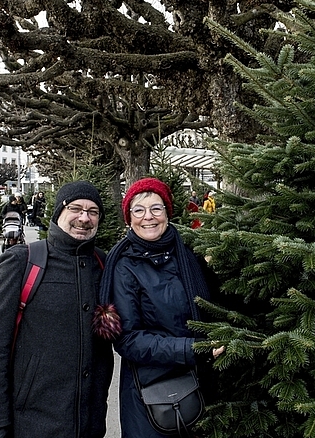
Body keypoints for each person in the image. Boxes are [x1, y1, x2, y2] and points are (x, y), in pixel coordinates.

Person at [0, 181, 113, 438]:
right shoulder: (22, 261)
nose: (84, 218)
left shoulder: (103, 264)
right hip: (31, 423)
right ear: (58, 212)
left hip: (90, 423)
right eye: (76, 208)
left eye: (93, 211)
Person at [94, 178, 221, 438]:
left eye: (156, 209)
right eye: (138, 210)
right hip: (152, 394)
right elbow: (128, 340)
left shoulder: (188, 254)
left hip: (201, 381)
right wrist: (191, 349)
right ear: (129, 218)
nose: (148, 217)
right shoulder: (124, 266)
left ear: (167, 213)